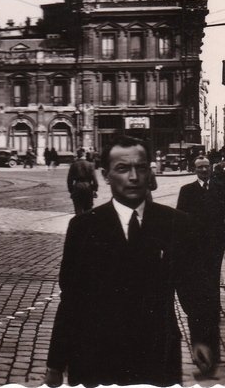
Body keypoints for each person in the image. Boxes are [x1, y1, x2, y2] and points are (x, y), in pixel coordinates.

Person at [45, 134, 219, 387]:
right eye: (123, 169)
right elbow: (72, 299)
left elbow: (196, 291)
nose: (134, 177)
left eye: (140, 168)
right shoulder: (83, 228)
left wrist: (204, 341)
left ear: (150, 173)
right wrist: (55, 363)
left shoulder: (177, 224)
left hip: (156, 355)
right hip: (96, 357)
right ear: (105, 175)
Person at [176, 155, 225, 326]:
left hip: (216, 241)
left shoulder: (220, 188)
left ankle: (214, 304)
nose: (204, 170)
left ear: (211, 168)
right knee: (199, 273)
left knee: (214, 272)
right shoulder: (187, 190)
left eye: (206, 166)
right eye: (200, 167)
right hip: (195, 242)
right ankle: (202, 304)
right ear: (194, 169)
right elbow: (180, 216)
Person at [66, 148, 98, 215]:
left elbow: (69, 180)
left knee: (78, 209)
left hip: (77, 187)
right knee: (88, 209)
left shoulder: (74, 165)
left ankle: (79, 224)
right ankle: (88, 224)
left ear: (77, 155)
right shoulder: (90, 165)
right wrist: (95, 189)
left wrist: (71, 190)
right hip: (88, 187)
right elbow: (95, 180)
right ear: (85, 155)